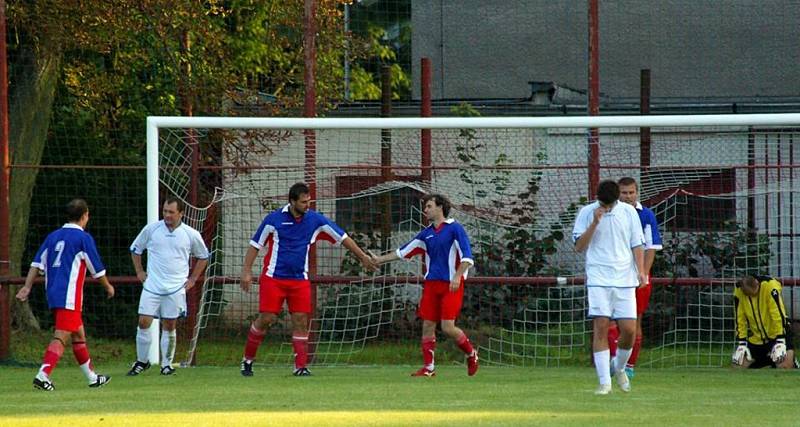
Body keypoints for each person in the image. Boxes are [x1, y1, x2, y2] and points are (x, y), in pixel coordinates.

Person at [239, 182, 377, 377]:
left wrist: (362, 257)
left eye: (309, 201)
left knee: (301, 319)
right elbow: (255, 245)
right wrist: (246, 271)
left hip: (299, 280)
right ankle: (247, 360)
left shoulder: (315, 220)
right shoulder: (274, 219)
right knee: (267, 318)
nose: (307, 205)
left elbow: (343, 237)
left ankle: (300, 366)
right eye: (303, 202)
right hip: (273, 278)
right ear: (292, 201)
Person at [371, 193, 478, 377]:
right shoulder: (426, 233)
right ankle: (429, 368)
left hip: (451, 285)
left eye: (429, 206)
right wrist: (378, 259)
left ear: (440, 207)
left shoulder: (455, 229)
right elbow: (403, 251)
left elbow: (467, 257)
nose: (425, 210)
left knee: (447, 327)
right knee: (427, 325)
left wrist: (457, 277)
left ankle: (471, 353)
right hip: (431, 285)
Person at [15, 198, 115, 391]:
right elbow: (98, 270)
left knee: (78, 334)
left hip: (52, 293)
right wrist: (108, 286)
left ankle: (92, 377)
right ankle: (42, 375)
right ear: (85, 216)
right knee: (61, 335)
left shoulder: (53, 236)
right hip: (69, 295)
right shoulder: (83, 239)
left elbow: (36, 264)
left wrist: (27, 287)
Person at [573, 180, 647, 395]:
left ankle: (620, 368)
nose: (606, 208)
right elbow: (578, 246)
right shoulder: (587, 212)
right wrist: (595, 223)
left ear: (617, 200)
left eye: (609, 205)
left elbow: (637, 243)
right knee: (601, 326)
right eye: (602, 204)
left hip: (625, 278)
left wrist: (641, 271)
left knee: (629, 330)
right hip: (598, 277)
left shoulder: (628, 212)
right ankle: (604, 382)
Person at [127, 197, 209, 376]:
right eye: (165, 211)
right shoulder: (151, 229)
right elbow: (136, 249)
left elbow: (203, 256)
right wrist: (140, 272)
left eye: (171, 212)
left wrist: (193, 278)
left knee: (170, 324)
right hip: (152, 286)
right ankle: (142, 361)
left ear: (181, 213)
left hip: (175, 288)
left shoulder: (190, 234)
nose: (167, 215)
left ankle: (166, 364)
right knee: (143, 321)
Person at [607, 177, 662, 379]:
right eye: (624, 193)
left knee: (634, 322)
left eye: (631, 192)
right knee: (609, 320)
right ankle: (615, 360)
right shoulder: (610, 213)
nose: (628, 196)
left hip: (637, 277)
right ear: (617, 194)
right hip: (613, 275)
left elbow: (651, 247)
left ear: (637, 193)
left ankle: (629, 366)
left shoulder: (646, 215)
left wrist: (644, 274)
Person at [732, 275, 798, 369]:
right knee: (737, 365)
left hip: (777, 335)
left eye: (753, 294)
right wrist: (742, 343)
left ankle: (792, 363)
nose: (751, 297)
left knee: (785, 366)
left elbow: (777, 314)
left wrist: (780, 339)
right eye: (748, 295)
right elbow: (739, 318)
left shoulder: (770, 286)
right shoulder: (739, 291)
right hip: (756, 339)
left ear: (757, 284)